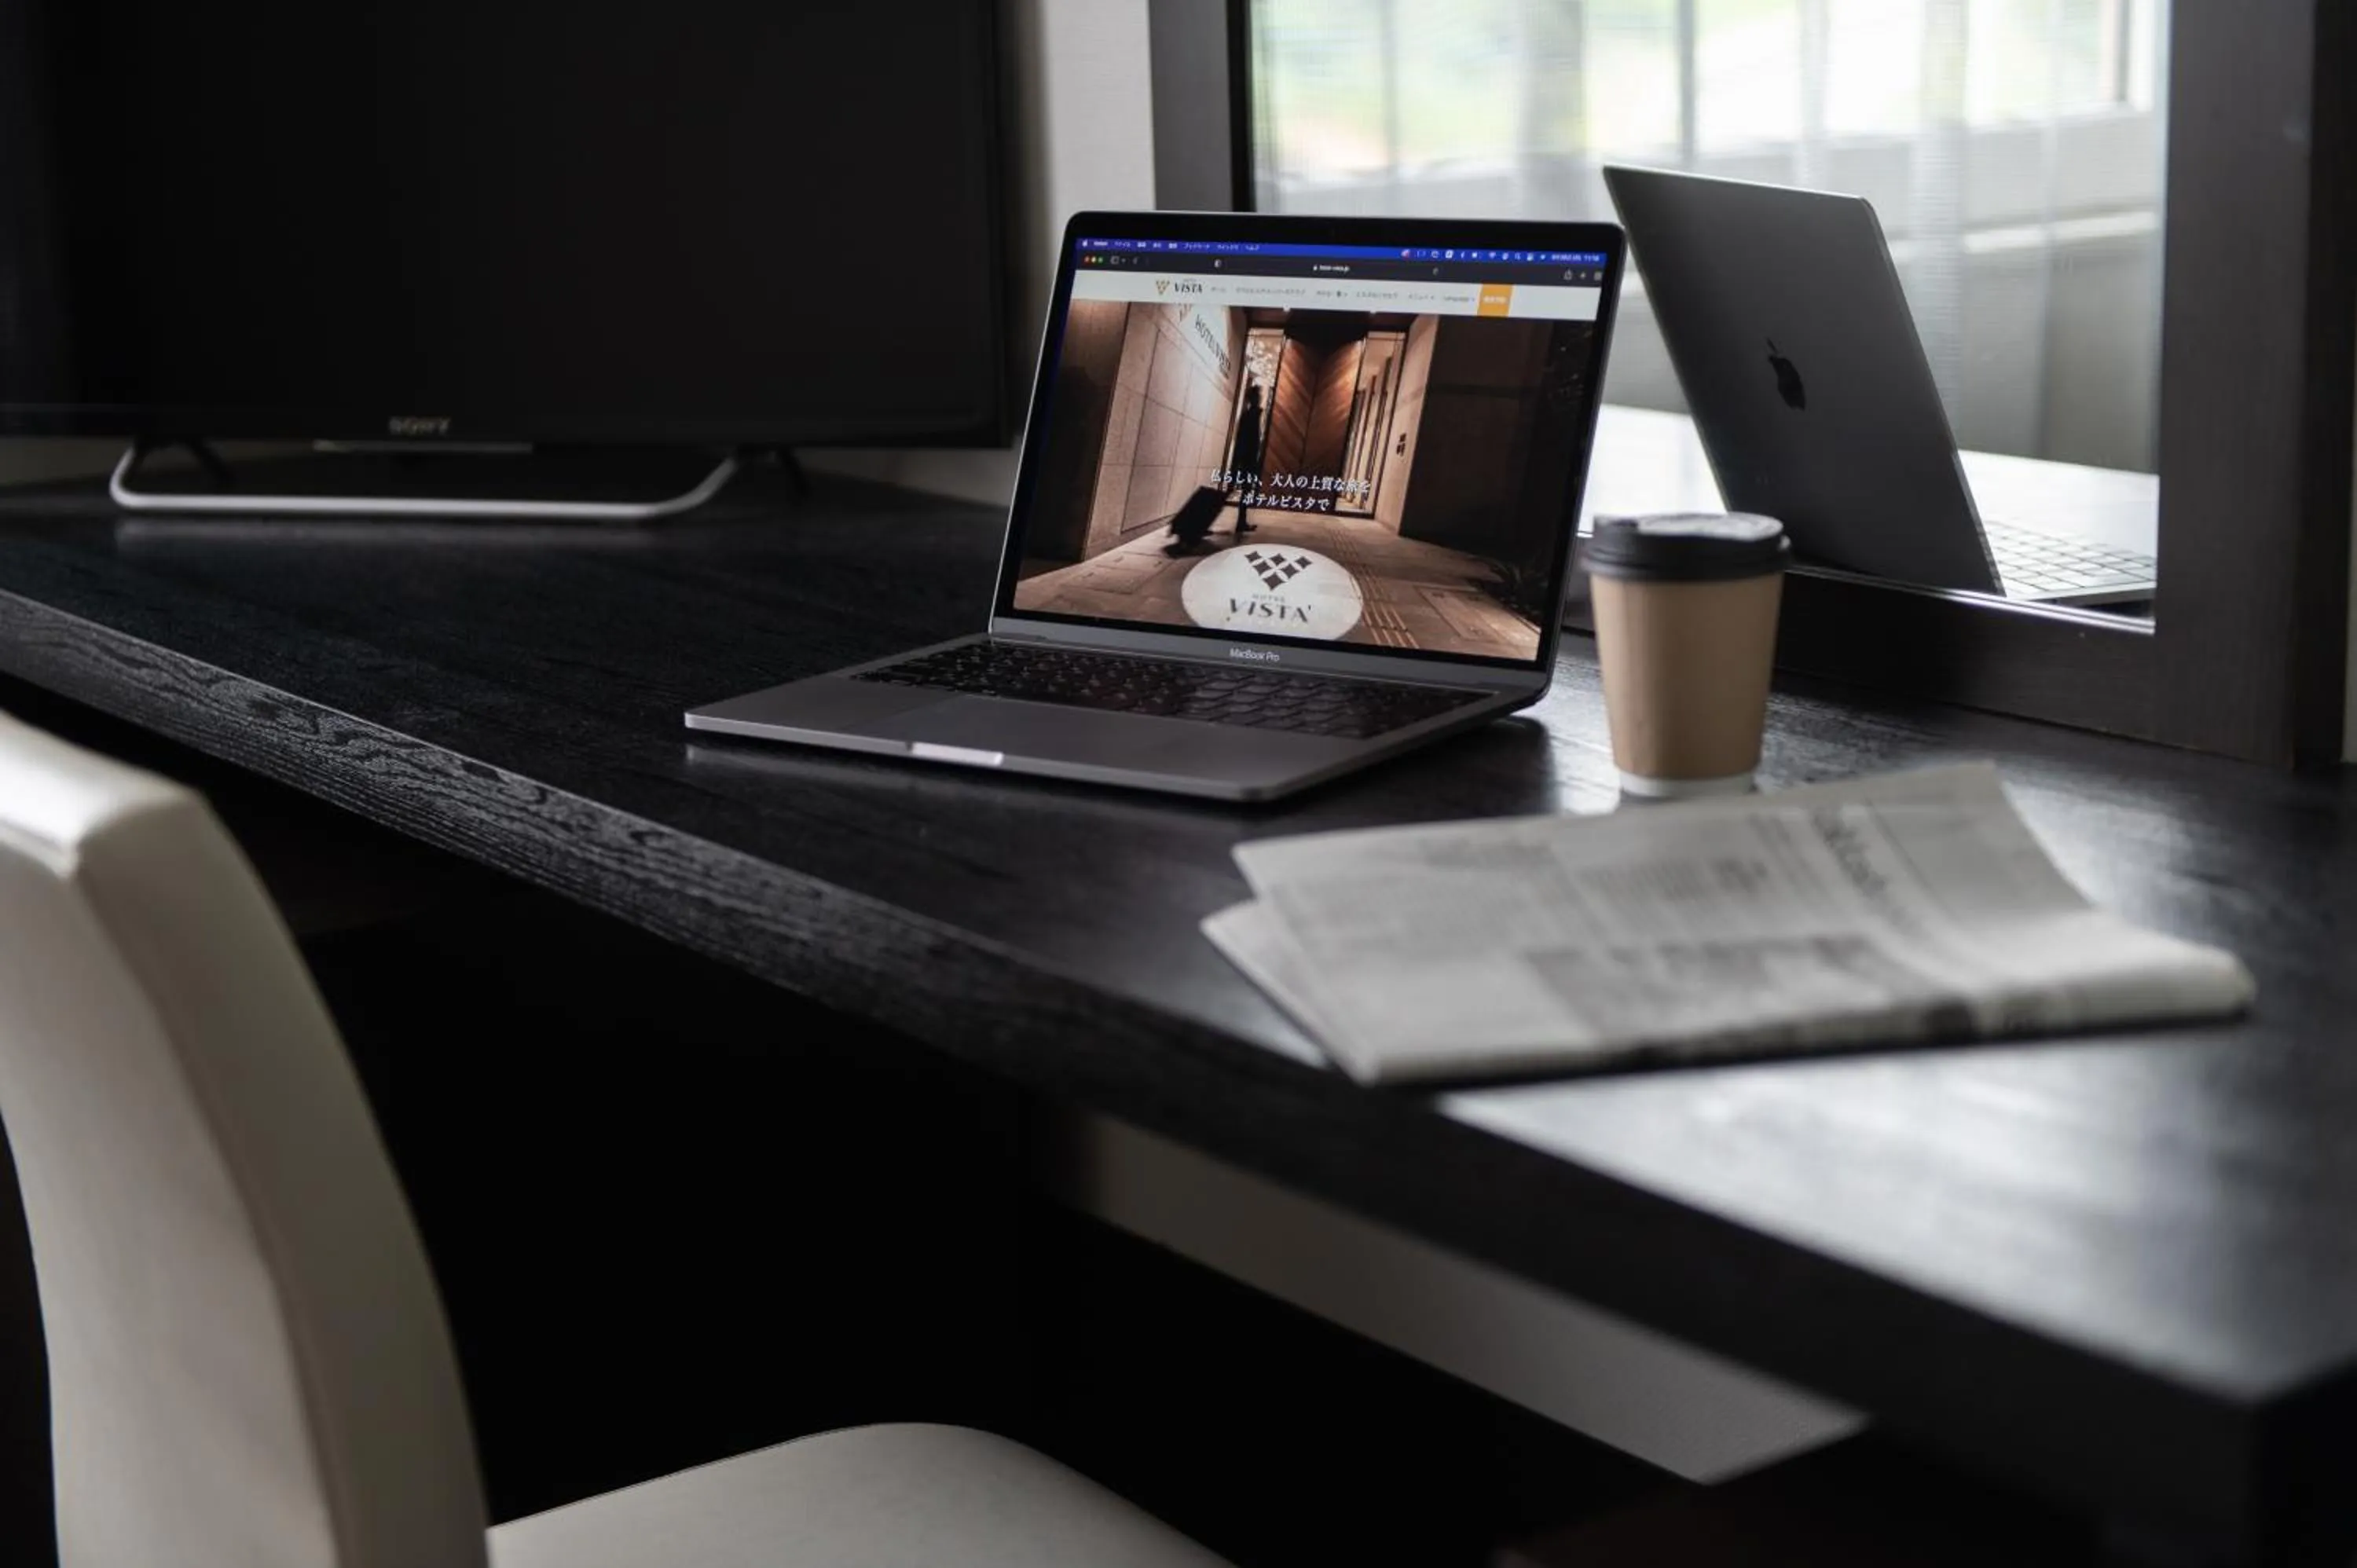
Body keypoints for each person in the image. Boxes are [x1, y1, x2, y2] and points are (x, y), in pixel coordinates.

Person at [1226, 383, 1266, 536]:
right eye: (1259, 396)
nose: (1261, 398)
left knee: (1245, 492)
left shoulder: (1252, 415)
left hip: (1246, 461)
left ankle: (1241, 522)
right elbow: (1244, 442)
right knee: (1244, 491)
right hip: (1246, 462)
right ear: (1253, 398)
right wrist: (1238, 465)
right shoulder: (1251, 416)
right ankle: (1240, 523)